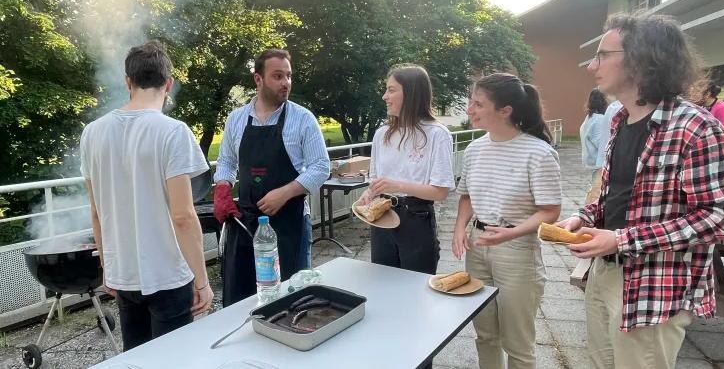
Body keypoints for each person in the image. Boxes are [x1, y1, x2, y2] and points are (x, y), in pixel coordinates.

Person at [556, 13, 724, 369]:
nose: (592, 66)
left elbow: (719, 217)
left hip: (654, 286)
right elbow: (618, 198)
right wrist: (584, 216)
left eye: (603, 55)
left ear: (642, 59)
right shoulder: (621, 120)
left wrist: (621, 240)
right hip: (603, 271)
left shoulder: (696, 128)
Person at [81, 41, 213, 351]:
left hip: (124, 276)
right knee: (174, 358)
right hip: (168, 276)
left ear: (128, 82)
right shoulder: (173, 132)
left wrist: (108, 268)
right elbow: (183, 217)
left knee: (137, 358)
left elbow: (96, 213)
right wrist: (202, 280)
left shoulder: (92, 133)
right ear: (168, 83)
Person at [452, 73, 562, 369]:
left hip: (517, 252)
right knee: (485, 335)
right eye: (471, 102)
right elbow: (466, 196)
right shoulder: (474, 150)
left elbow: (550, 210)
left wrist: (510, 234)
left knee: (518, 343)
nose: (470, 109)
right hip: (478, 248)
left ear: (505, 111)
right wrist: (459, 228)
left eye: (478, 104)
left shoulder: (538, 153)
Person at [213, 48, 330, 306]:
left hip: (290, 224)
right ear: (258, 79)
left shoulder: (303, 119)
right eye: (278, 76)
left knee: (292, 298)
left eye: (288, 75)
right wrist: (222, 186)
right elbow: (227, 162)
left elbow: (321, 166)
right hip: (246, 225)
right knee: (241, 300)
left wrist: (285, 192)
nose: (286, 82)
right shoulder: (236, 119)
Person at [356, 65, 454, 274]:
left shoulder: (437, 134)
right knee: (382, 281)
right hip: (382, 216)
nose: (384, 96)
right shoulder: (382, 134)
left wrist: (398, 185)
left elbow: (441, 192)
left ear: (411, 93)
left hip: (416, 218)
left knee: (415, 286)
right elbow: (376, 181)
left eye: (391, 90)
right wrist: (369, 193)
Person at [580, 88, 609, 201]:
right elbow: (603, 145)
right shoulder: (599, 120)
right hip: (600, 166)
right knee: (596, 199)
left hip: (594, 165)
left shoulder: (590, 117)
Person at [697, 82, 724, 162]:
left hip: (720, 157)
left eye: (696, 91)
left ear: (707, 94)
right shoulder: (704, 107)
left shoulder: (723, 108)